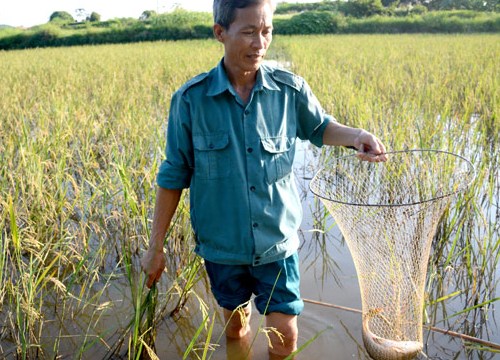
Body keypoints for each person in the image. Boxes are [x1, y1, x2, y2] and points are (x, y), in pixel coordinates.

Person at [141, 0, 387, 358]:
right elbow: (173, 176)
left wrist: (355, 135)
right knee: (236, 327)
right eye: (249, 32)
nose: (260, 43)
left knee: (285, 336)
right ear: (220, 33)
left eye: (267, 31)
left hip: (277, 242)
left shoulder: (290, 91)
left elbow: (320, 127)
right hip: (223, 248)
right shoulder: (190, 101)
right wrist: (155, 247)